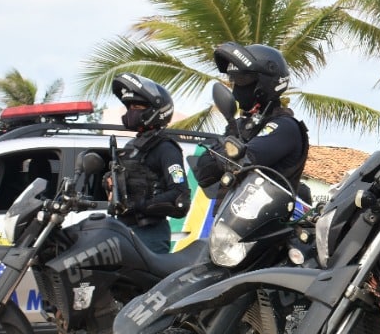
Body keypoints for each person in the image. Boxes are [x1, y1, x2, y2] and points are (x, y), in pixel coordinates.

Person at [195, 42, 310, 197]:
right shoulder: (240, 124)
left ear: (266, 82)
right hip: (229, 210)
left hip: (265, 211)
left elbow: (244, 160)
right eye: (234, 80)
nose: (237, 88)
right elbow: (203, 173)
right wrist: (225, 151)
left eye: (242, 80)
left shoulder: (286, 127)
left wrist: (223, 152)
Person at [111, 73, 190, 254]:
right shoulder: (131, 147)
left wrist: (140, 205)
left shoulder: (166, 148)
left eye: (137, 106)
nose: (131, 111)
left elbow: (179, 195)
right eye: (129, 107)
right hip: (123, 230)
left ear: (155, 110)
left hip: (150, 235)